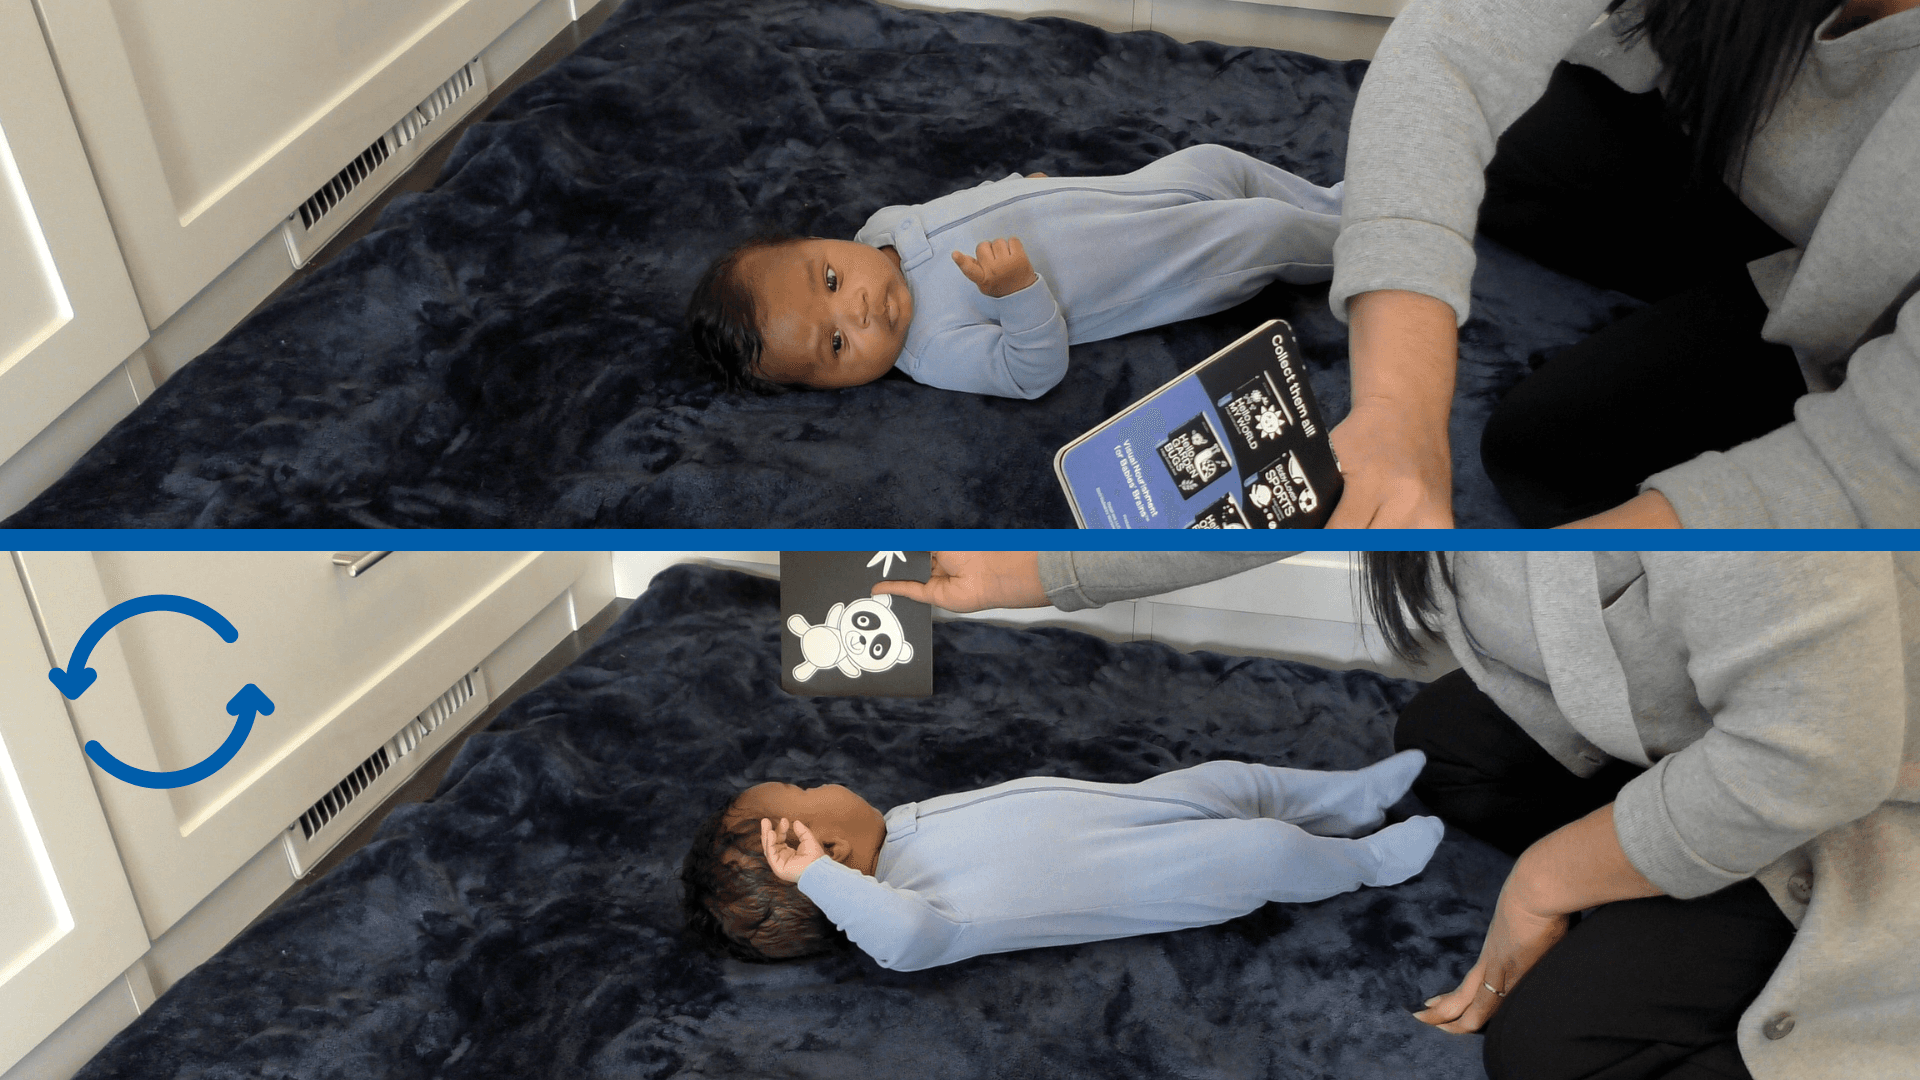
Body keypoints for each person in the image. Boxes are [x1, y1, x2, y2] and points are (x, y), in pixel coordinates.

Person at [875, 551, 1919, 1080]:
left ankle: (1360, 830)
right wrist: (1045, 572)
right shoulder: (904, 874)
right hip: (1754, 720)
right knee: (1405, 768)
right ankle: (1362, 852)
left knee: (1544, 1048)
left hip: (1857, 793)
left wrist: (1553, 877)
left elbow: (1824, 745)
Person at [1324, 0, 1920, 527]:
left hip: (1866, 309)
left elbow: (1879, 469)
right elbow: (1456, 47)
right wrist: (1397, 411)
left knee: (1544, 453)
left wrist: (1536, 603)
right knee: (1491, 157)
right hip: (1718, 143)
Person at [684, 144, 1342, 399]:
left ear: (820, 241)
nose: (855, 310)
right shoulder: (932, 349)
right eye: (835, 345)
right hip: (1168, 266)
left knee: (1215, 163)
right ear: (835, 384)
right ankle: (1364, 246)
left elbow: (963, 208)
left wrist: (1014, 188)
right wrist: (1019, 293)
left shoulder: (881, 227)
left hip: (1129, 192)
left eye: (829, 281)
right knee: (1262, 232)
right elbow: (1032, 374)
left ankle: (1337, 202)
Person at [680, 752, 1444, 970]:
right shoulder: (922, 919)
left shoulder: (897, 829)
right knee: (1264, 850)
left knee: (1228, 779)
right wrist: (813, 877)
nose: (825, 778)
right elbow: (901, 940)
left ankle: (1345, 797)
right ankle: (1366, 861)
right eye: (810, 788)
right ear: (834, 854)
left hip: (1135, 807)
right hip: (1162, 879)